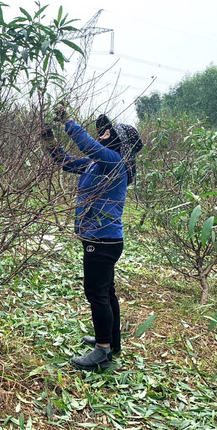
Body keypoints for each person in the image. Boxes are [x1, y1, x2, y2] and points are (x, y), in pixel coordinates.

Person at [43, 111, 143, 371]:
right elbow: (65, 162)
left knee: (96, 293)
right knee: (106, 291)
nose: (103, 132)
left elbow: (89, 145)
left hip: (102, 240)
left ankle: (102, 352)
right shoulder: (95, 164)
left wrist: (67, 121)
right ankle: (112, 341)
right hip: (101, 239)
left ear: (119, 141)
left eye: (108, 131)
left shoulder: (114, 161)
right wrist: (49, 141)